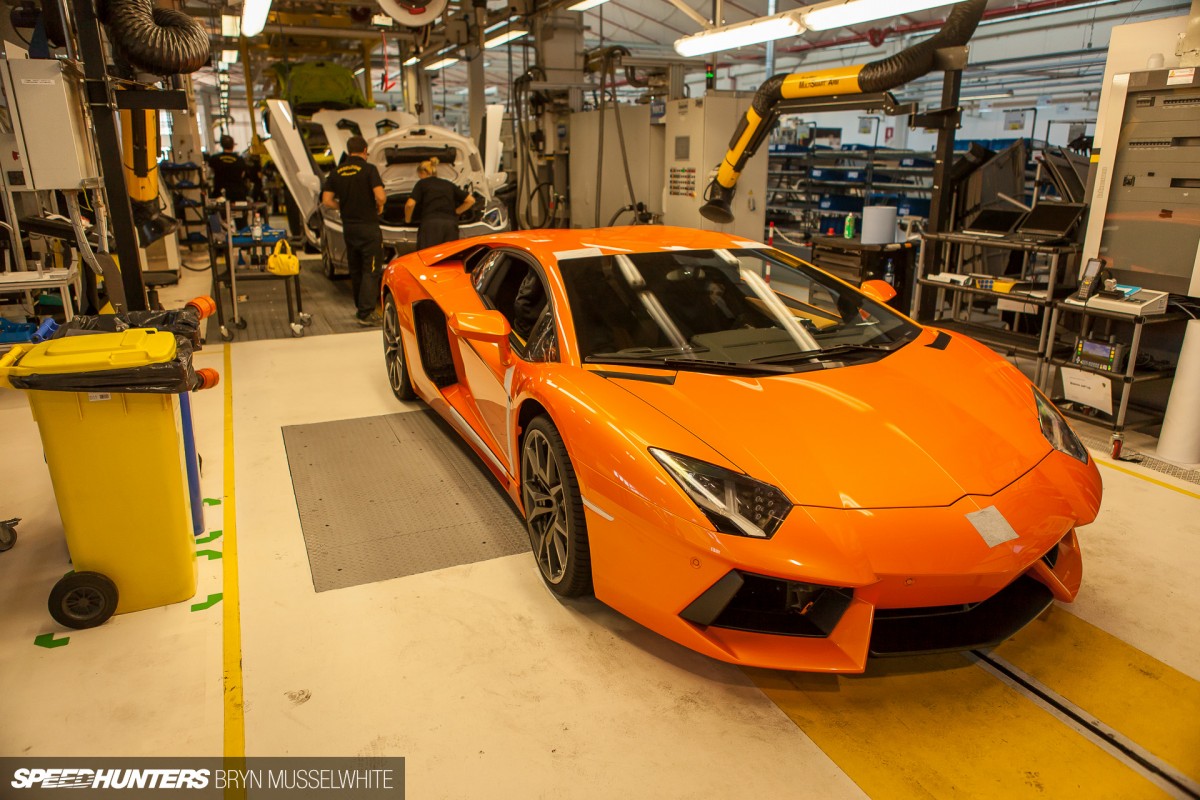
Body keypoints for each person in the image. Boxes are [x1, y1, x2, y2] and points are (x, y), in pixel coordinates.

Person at [322, 135, 387, 326]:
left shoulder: (337, 172)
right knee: (372, 268)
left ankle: (360, 308)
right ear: (365, 150)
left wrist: (342, 207)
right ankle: (366, 313)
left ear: (349, 150)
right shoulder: (369, 170)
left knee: (356, 268)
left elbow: (326, 200)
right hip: (368, 227)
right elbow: (381, 196)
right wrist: (378, 206)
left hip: (349, 228)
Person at [404, 157, 475, 250]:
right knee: (448, 258)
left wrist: (407, 220)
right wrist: (456, 212)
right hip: (450, 225)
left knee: (428, 258)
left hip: (430, 225)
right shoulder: (449, 184)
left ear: (422, 173)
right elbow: (471, 200)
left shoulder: (422, 183)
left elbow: (410, 204)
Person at [208, 135, 248, 203]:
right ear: (233, 145)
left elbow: (211, 173)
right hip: (238, 194)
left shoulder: (214, 159)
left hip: (220, 193)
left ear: (221, 145)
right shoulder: (240, 160)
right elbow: (242, 175)